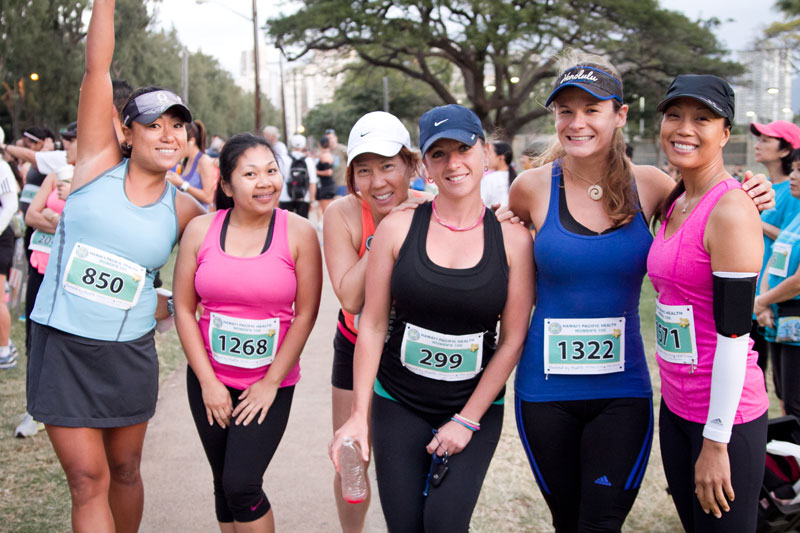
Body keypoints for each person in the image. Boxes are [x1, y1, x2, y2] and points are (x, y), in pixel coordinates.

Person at [508, 53, 774, 532]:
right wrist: (425, 203)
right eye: (566, 110)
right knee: (566, 521)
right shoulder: (528, 189)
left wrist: (754, 190)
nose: (578, 121)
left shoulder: (653, 186)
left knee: (602, 523)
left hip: (623, 390)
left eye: (593, 109)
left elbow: (712, 201)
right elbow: (489, 237)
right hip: (545, 390)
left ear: (620, 115)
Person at [24, 1, 204, 530]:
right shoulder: (98, 162)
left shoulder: (186, 209)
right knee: (88, 479)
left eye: (178, 126)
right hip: (63, 346)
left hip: (128, 354)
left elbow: (236, 239)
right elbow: (96, 69)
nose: (168, 134)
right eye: (153, 124)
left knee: (125, 470)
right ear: (127, 133)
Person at [330, 104, 534, 532]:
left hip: (472, 406)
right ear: (424, 164)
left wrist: (466, 419)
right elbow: (369, 322)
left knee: (444, 524)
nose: (453, 163)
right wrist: (357, 415)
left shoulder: (512, 237)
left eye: (463, 148)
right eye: (439, 154)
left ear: (485, 151)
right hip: (397, 402)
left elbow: (513, 338)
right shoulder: (398, 227)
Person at [173, 132, 322, 532]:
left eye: (271, 171)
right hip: (209, 380)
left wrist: (270, 384)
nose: (266, 182)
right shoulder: (201, 230)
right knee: (223, 485)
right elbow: (184, 310)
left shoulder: (300, 232)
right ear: (225, 184)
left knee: (242, 484)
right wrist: (207, 381)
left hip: (269, 385)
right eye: (251, 173)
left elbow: (306, 314)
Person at [649, 74, 768, 532]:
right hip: (676, 406)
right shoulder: (675, 199)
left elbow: (736, 336)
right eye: (674, 115)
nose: (684, 128)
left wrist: (716, 441)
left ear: (725, 133)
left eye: (703, 118)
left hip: (725, 421)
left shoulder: (731, 210)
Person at [322, 111, 427, 532]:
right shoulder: (342, 214)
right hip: (354, 342)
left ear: (410, 165)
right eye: (363, 170)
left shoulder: (432, 209)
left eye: (387, 166)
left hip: (409, 347)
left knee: (407, 461)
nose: (377, 182)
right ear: (352, 177)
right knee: (351, 458)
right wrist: (388, 229)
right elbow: (349, 295)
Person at [749, 120, 800, 392]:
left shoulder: (793, 194)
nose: (758, 144)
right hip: (758, 289)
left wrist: (752, 219)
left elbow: (789, 241)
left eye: (766, 140)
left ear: (785, 150)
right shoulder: (765, 186)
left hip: (779, 298)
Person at [167, 119, 217, 208]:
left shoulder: (204, 161)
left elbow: (208, 198)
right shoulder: (186, 161)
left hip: (200, 217)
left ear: (192, 141)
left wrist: (181, 184)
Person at [278, 134, 318, 218]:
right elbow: (312, 182)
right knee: (302, 225)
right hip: (304, 197)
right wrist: (312, 200)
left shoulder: (283, 159)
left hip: (285, 196)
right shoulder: (309, 161)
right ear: (304, 145)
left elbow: (278, 179)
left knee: (284, 224)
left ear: (292, 145)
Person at [481, 141, 516, 207]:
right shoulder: (515, 178)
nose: (486, 157)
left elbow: (480, 205)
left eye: (490, 153)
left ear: (501, 158)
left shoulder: (489, 179)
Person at [315, 134, 337, 226]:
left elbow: (328, 172)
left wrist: (316, 172)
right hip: (325, 185)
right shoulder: (325, 155)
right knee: (325, 210)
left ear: (320, 144)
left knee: (327, 212)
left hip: (326, 186)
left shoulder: (326, 156)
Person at [326, 128, 349, 197]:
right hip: (329, 185)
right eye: (327, 138)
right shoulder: (326, 152)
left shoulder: (343, 149)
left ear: (335, 138)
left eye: (330, 138)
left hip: (341, 184)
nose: (329, 140)